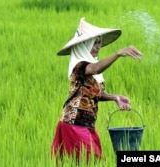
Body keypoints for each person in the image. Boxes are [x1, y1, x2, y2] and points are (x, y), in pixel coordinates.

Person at [51, 17, 142, 164]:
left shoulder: (91, 69)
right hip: (74, 123)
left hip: (88, 124)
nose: (98, 46)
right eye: (94, 42)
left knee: (95, 161)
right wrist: (118, 53)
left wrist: (114, 97)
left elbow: (95, 93)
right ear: (84, 45)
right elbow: (95, 68)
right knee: (92, 161)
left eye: (99, 42)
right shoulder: (79, 66)